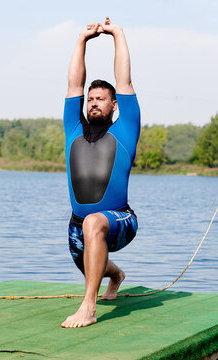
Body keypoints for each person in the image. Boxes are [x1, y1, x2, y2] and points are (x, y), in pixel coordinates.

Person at [61, 17, 140, 328]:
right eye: (90, 99)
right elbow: (73, 85)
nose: (93, 103)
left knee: (95, 223)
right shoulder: (72, 129)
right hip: (76, 226)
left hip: (120, 219)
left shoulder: (125, 130)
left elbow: (125, 82)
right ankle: (115, 274)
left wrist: (117, 33)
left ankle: (88, 307)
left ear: (114, 105)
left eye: (100, 99)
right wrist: (82, 40)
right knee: (90, 258)